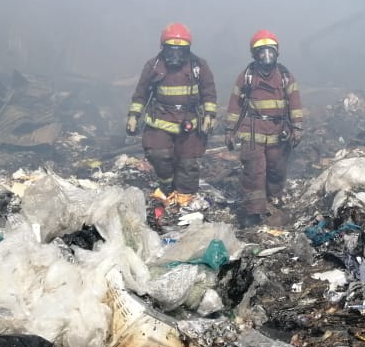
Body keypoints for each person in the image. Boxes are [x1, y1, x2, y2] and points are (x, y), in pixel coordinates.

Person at [126, 22, 217, 202]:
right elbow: (141, 93)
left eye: (180, 51)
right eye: (171, 50)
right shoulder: (154, 66)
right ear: (163, 48)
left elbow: (209, 92)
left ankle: (184, 199)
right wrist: (133, 116)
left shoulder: (199, 66)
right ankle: (167, 185)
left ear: (188, 50)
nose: (175, 55)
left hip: (189, 120)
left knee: (188, 162)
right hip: (161, 119)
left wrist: (209, 115)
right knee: (158, 154)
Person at [224, 29, 304, 226]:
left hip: (278, 130)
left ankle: (273, 199)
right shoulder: (247, 76)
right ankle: (254, 211)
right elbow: (235, 104)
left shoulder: (285, 76)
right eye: (262, 52)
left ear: (277, 52)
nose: (267, 56)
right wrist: (230, 130)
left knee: (277, 169)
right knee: (254, 171)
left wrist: (297, 128)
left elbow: (294, 102)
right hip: (253, 130)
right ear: (254, 54)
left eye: (270, 51)